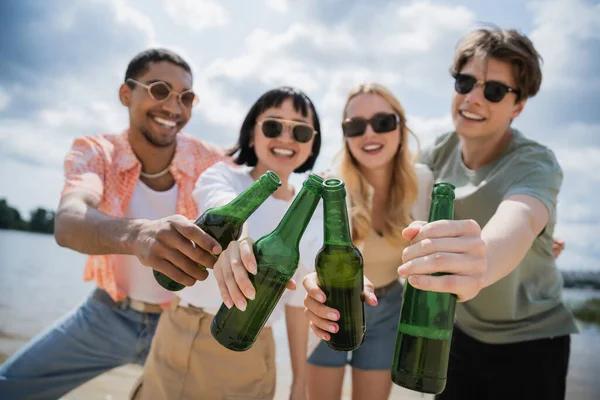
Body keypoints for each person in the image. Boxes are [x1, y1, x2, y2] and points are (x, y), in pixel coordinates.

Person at [306, 27, 577, 400]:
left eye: (494, 90)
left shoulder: (535, 162)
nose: (473, 98)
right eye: (465, 83)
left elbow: (523, 218)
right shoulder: (435, 157)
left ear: (518, 106)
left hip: (527, 338)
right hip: (454, 332)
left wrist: (485, 259)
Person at [0, 48, 225, 400]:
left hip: (184, 321)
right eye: (160, 90)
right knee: (10, 387)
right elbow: (69, 221)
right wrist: (138, 233)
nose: (174, 107)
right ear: (126, 94)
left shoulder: (209, 158)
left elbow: (261, 167)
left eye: (187, 97)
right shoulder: (96, 152)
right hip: (108, 315)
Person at [132, 87, 322, 400]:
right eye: (273, 126)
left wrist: (300, 381)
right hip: (185, 330)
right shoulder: (223, 176)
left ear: (311, 144)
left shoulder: (308, 215)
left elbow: (295, 303)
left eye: (300, 131)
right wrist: (238, 236)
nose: (286, 138)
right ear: (251, 135)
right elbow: (220, 204)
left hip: (251, 343)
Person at [305, 83, 434, 400]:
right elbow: (309, 252)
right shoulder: (328, 185)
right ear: (345, 135)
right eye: (355, 126)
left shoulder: (424, 180)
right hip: (331, 306)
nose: (369, 134)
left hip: (388, 308)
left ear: (401, 127)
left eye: (383, 122)